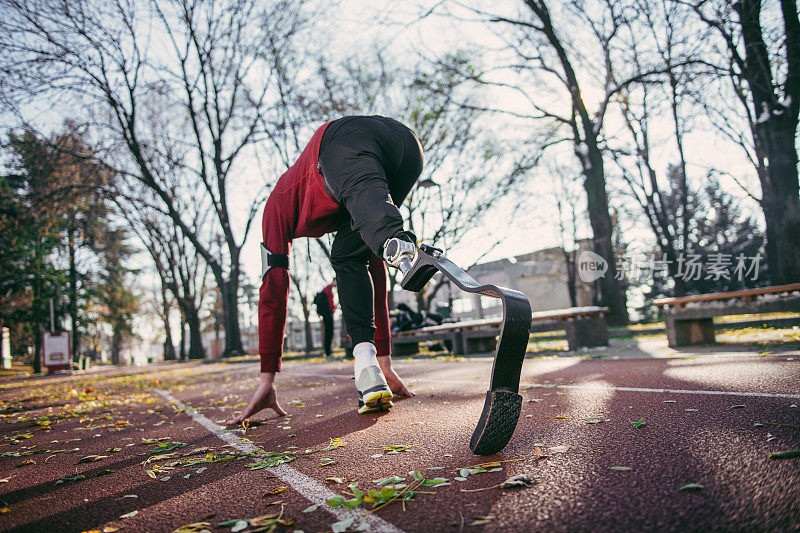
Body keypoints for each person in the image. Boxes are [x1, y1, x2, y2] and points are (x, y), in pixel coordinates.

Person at [228, 116, 422, 425]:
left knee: (367, 244)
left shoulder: (276, 205)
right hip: (408, 151)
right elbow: (375, 268)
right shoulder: (339, 198)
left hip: (338, 143)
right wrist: (384, 359)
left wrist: (267, 377)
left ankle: (396, 241)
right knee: (350, 256)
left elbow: (273, 287)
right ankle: (368, 365)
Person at [313, 280, 337, 357]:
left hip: (327, 314)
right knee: (329, 333)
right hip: (328, 314)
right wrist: (332, 308)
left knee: (329, 333)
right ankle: (328, 353)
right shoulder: (328, 289)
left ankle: (328, 352)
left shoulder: (328, 289)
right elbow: (330, 302)